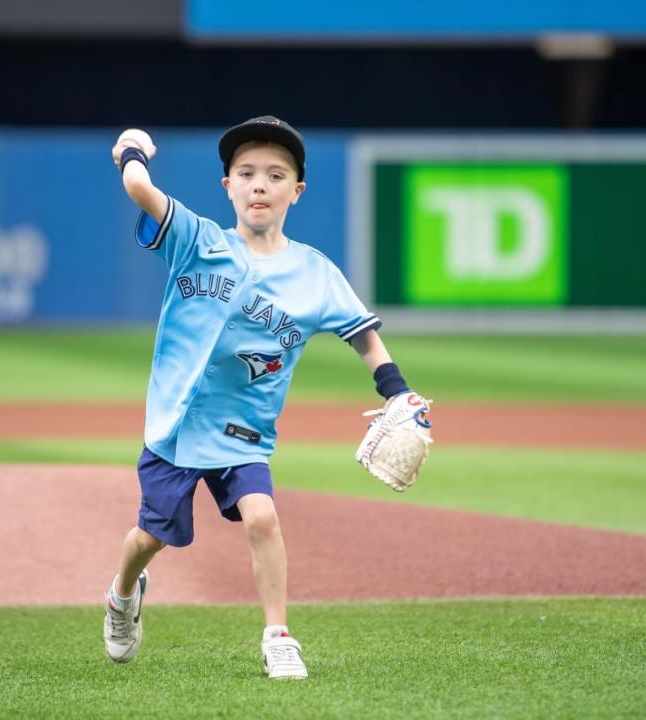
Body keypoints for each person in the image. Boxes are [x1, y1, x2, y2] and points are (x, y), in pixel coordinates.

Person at [103, 116, 420, 680]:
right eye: (246, 172)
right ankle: (123, 595)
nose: (259, 185)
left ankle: (278, 635)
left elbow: (362, 336)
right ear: (227, 185)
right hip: (176, 425)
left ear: (296, 191)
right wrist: (133, 149)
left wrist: (395, 388)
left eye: (276, 175)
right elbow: (137, 188)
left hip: (244, 434)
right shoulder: (196, 241)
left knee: (263, 518)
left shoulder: (316, 274)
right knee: (151, 537)